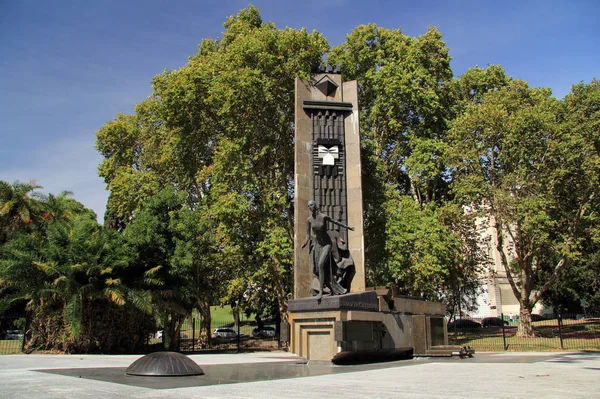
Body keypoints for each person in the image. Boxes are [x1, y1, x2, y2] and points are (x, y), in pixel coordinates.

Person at [301, 200, 354, 300]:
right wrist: (305, 243)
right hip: (318, 245)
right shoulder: (309, 220)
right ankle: (329, 287)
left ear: (315, 205)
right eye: (308, 206)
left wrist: (348, 227)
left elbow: (336, 222)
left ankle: (321, 291)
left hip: (326, 244)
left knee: (321, 264)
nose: (310, 207)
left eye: (311, 205)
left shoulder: (323, 217)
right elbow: (308, 235)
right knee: (317, 268)